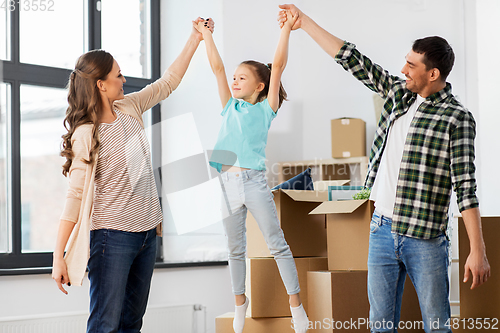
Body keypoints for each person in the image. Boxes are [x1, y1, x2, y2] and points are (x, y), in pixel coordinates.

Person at [278, 4, 490, 333]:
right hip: (381, 229)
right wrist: (303, 22)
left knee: (437, 326)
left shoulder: (457, 118)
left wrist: (478, 251)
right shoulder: (398, 94)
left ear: (432, 74)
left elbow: (466, 189)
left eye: (411, 64)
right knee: (380, 325)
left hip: (426, 239)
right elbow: (352, 58)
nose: (403, 69)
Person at [51, 17, 214, 333]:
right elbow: (74, 198)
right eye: (118, 75)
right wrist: (58, 257)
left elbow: (168, 82)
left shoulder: (129, 108)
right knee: (105, 324)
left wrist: (195, 38)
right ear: (101, 84)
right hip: (112, 238)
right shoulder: (86, 134)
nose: (123, 81)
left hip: (147, 234)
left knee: (131, 324)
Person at [194, 12, 309, 333]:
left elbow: (279, 64)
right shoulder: (230, 106)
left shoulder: (265, 108)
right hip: (227, 182)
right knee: (235, 248)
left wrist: (286, 28)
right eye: (234, 77)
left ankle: (296, 305)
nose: (233, 81)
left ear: (260, 86)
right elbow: (216, 67)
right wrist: (206, 35)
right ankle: (239, 302)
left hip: (255, 182)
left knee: (277, 243)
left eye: (241, 78)